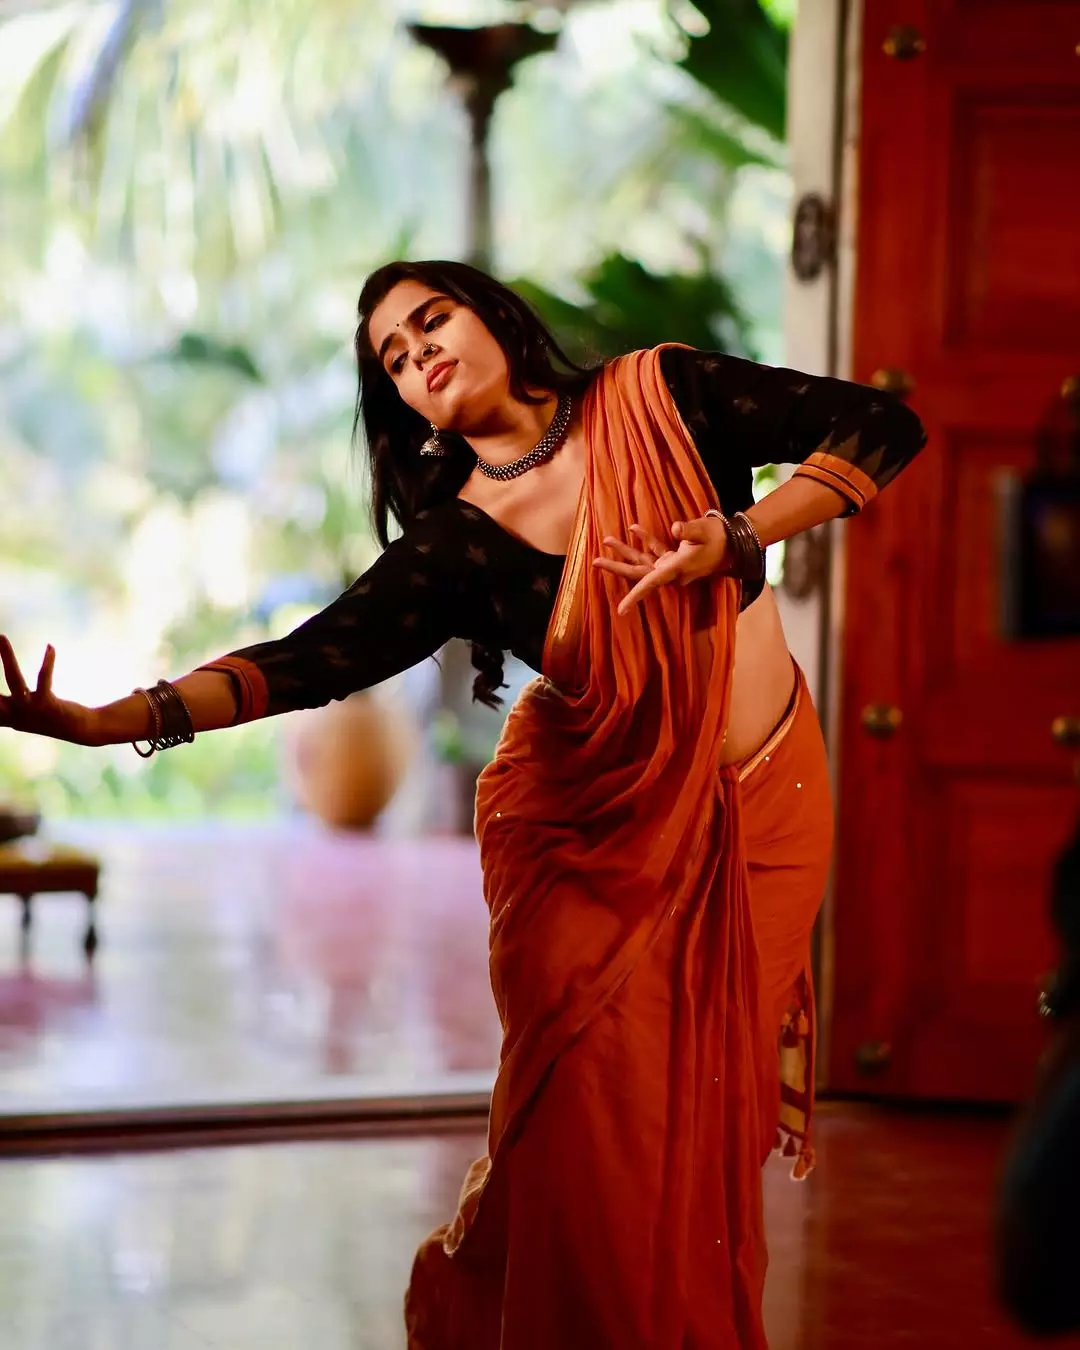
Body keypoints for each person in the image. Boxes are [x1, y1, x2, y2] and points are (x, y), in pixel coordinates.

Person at [0, 260, 926, 1348]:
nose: (419, 354)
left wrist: (742, 534)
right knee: (593, 1140)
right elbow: (310, 660)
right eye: (394, 359)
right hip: (591, 851)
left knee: (712, 1119)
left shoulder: (665, 396)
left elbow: (880, 426)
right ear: (406, 403)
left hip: (766, 804)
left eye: (431, 320)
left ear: (493, 315)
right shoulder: (459, 542)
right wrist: (108, 720)